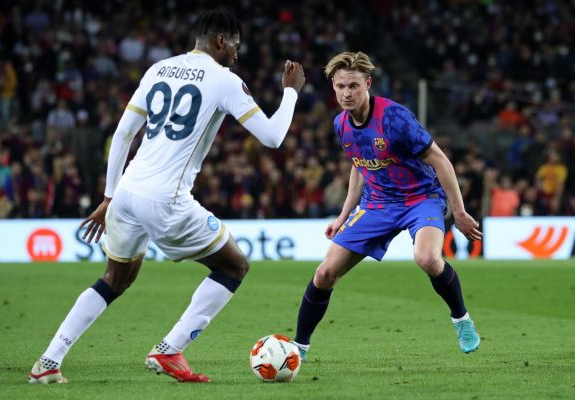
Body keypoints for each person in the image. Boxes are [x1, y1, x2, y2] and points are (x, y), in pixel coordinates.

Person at [29, 9, 305, 384]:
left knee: (114, 279)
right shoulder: (224, 80)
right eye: (236, 46)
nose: (237, 55)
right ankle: (170, 349)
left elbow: (123, 134)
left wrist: (110, 196)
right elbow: (273, 137)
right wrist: (290, 92)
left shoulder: (158, 69)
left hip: (127, 190)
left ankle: (48, 361)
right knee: (233, 266)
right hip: (166, 198)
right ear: (221, 41)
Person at [291, 52, 482, 361]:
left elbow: (439, 159)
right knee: (324, 273)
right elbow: (359, 166)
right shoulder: (341, 124)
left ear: (367, 84)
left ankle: (461, 320)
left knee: (428, 259)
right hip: (377, 204)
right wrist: (343, 216)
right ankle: (297, 348)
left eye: (353, 85)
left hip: (420, 198)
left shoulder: (394, 117)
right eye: (340, 86)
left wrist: (458, 212)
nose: (347, 93)